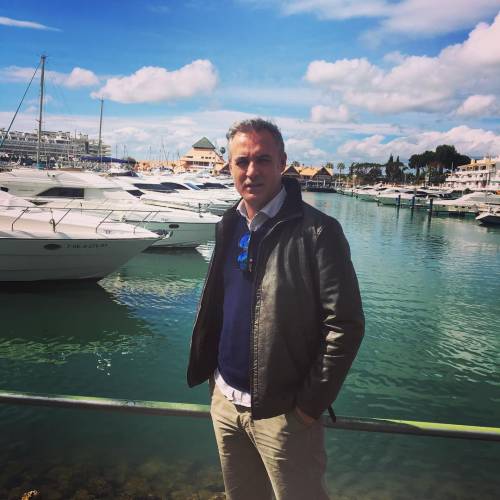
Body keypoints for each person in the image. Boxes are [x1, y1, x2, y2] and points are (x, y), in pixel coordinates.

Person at [187, 118, 364, 499]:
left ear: (282, 162)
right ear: (229, 167)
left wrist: (308, 407)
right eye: (242, 161)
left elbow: (345, 325)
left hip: (285, 415)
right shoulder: (229, 223)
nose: (251, 171)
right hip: (225, 403)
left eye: (263, 159)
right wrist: (215, 385)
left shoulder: (318, 231)